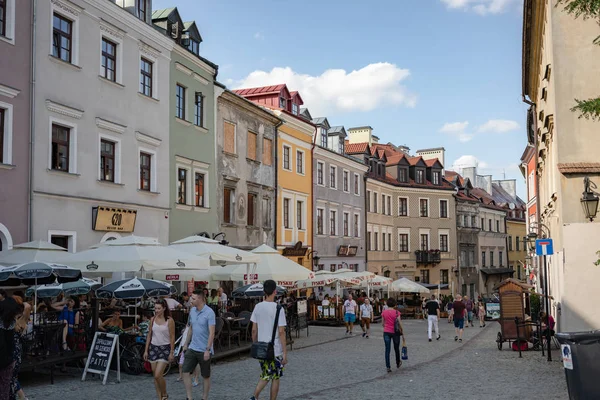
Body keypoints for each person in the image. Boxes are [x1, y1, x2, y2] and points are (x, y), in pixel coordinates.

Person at [248, 280, 287, 400]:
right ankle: (255, 396)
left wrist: (255, 343)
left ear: (264, 291)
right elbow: (281, 332)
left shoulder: (257, 307)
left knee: (266, 373)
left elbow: (254, 330)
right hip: (274, 349)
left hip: (262, 347)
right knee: (274, 377)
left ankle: (255, 397)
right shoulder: (279, 309)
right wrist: (285, 352)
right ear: (275, 291)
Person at [182, 290, 216, 400]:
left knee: (205, 376)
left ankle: (204, 398)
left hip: (204, 349)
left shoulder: (209, 312)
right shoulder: (192, 311)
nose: (191, 300)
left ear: (200, 299)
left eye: (193, 298)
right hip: (192, 347)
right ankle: (189, 397)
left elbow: (212, 333)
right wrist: (186, 343)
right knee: (185, 371)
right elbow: (191, 328)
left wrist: (207, 349)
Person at [143, 299, 175, 400]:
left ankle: (164, 394)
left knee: (158, 375)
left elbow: (172, 337)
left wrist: (171, 352)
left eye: (158, 308)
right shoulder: (152, 319)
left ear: (164, 308)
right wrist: (146, 350)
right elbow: (149, 335)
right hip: (153, 347)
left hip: (165, 348)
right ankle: (159, 397)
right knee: (155, 375)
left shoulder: (169, 320)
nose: (156, 310)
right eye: (155, 308)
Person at [0, 297, 21, 400]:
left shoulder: (10, 323)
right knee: (5, 388)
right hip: (8, 360)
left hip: (6, 360)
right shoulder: (11, 323)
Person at [11, 293, 30, 400]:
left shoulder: (16, 321)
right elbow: (27, 306)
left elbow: (27, 307)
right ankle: (23, 398)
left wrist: (18, 303)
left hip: (12, 352)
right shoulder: (21, 320)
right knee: (12, 378)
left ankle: (21, 397)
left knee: (10, 377)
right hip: (16, 352)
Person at [381, 298, 403, 373]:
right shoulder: (397, 312)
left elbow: (382, 324)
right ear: (394, 304)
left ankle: (388, 366)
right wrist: (402, 331)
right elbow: (400, 323)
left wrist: (387, 326)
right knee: (396, 348)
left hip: (386, 332)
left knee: (387, 349)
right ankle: (398, 362)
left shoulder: (384, 312)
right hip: (395, 332)